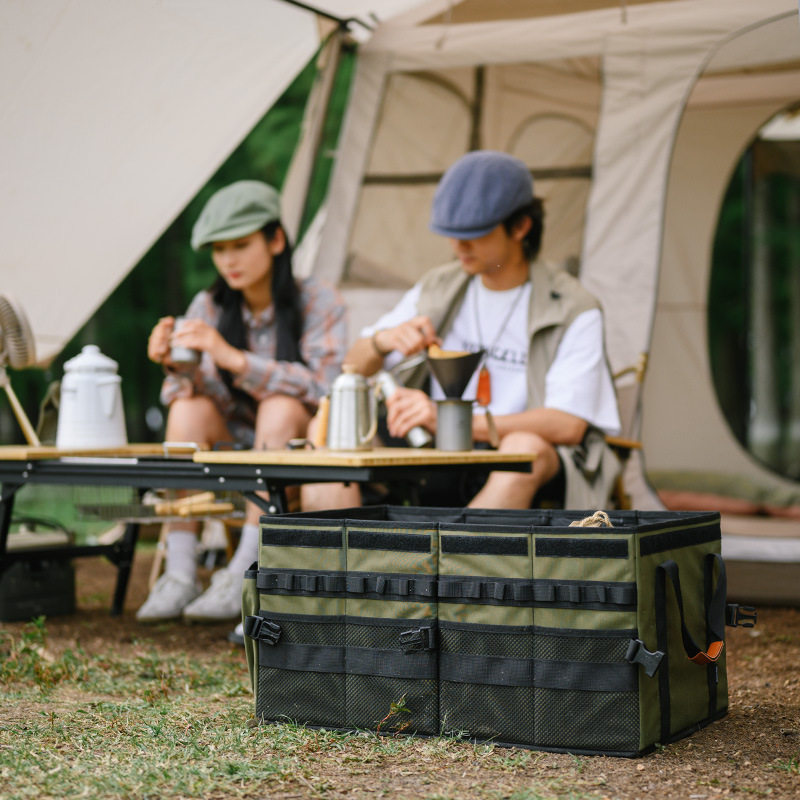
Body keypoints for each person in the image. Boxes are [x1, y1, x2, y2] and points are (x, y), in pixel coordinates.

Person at [302, 150, 620, 512]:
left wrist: (445, 419)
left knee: (524, 448)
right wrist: (382, 341)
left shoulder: (572, 306)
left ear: (520, 227)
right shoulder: (440, 285)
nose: (458, 247)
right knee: (330, 427)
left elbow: (568, 424)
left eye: (475, 234)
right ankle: (335, 549)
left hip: (513, 456)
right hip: (433, 451)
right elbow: (353, 367)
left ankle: (460, 549)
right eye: (452, 234)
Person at [138, 180, 347, 623]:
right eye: (219, 249)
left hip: (301, 459)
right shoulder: (209, 305)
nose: (228, 260)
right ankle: (180, 573)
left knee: (280, 405)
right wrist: (173, 366)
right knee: (187, 408)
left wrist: (233, 358)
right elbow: (177, 397)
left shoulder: (319, 300)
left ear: (276, 240)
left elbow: (326, 387)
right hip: (232, 457)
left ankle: (244, 573)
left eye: (240, 245)